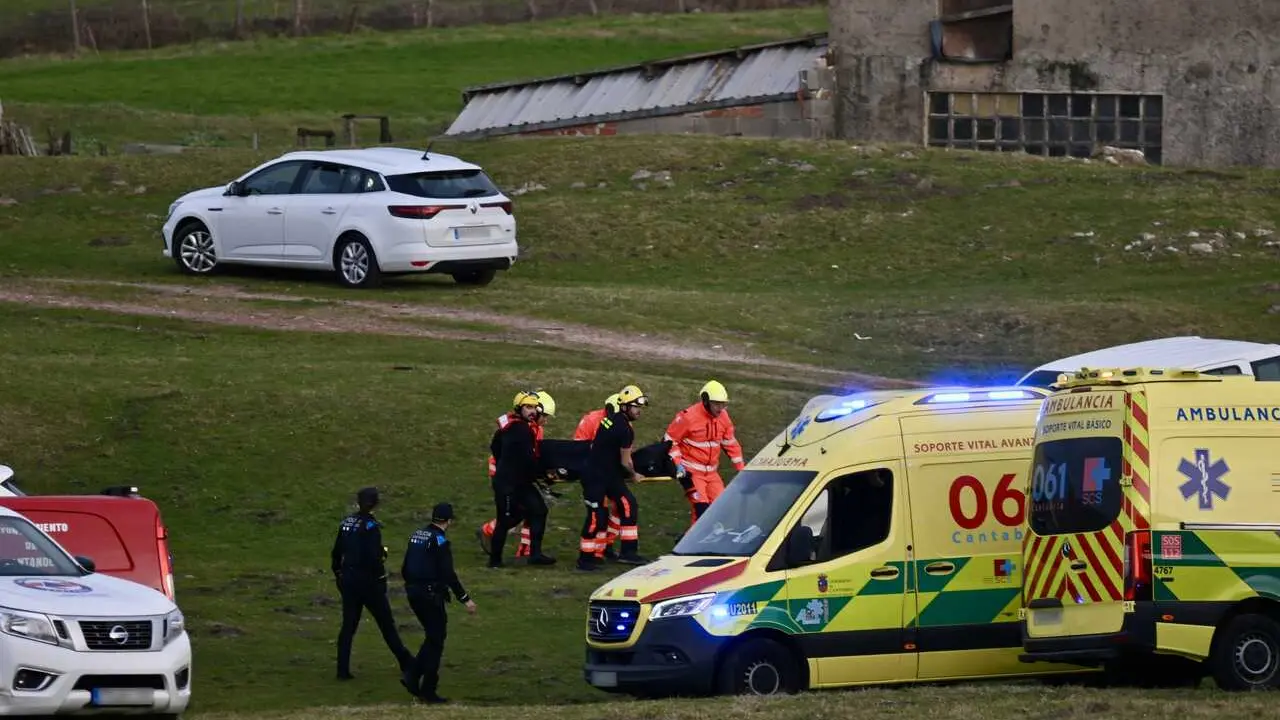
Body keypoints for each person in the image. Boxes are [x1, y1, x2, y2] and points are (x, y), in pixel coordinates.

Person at [330, 486, 414, 680]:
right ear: (375, 503)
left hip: (349, 579)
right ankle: (405, 660)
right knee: (386, 624)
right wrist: (381, 573)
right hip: (368, 582)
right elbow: (373, 557)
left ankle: (342, 669)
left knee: (349, 625)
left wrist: (339, 574)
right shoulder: (371, 527)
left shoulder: (346, 523)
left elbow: (336, 553)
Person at [400, 502, 476, 704]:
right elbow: (448, 574)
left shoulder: (417, 535)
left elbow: (405, 566)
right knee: (437, 640)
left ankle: (414, 675)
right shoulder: (440, 541)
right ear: (449, 521)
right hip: (430, 594)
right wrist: (464, 598)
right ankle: (427, 688)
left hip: (413, 592)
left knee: (433, 637)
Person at [577, 385, 649, 572]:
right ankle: (585, 560)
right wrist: (635, 475)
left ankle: (628, 552)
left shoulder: (610, 420)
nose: (639, 411)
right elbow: (625, 461)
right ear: (624, 407)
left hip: (608, 475)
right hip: (596, 476)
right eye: (635, 406)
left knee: (628, 504)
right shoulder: (625, 429)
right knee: (596, 517)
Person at [478, 390, 557, 560]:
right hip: (508, 483)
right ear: (519, 408)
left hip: (520, 481)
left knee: (538, 510)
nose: (533, 411)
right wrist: (541, 475)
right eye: (529, 407)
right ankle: (495, 560)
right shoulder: (521, 430)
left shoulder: (513, 426)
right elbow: (528, 457)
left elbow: (495, 447)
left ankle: (534, 554)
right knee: (505, 520)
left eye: (535, 408)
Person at [664, 380, 745, 527]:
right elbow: (669, 441)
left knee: (720, 510)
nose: (721, 408)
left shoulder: (723, 417)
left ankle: (698, 544)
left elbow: (730, 443)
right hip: (691, 472)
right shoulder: (688, 417)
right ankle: (692, 546)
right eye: (717, 404)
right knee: (701, 509)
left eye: (723, 404)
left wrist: (741, 469)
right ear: (706, 401)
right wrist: (678, 464)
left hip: (711, 473)